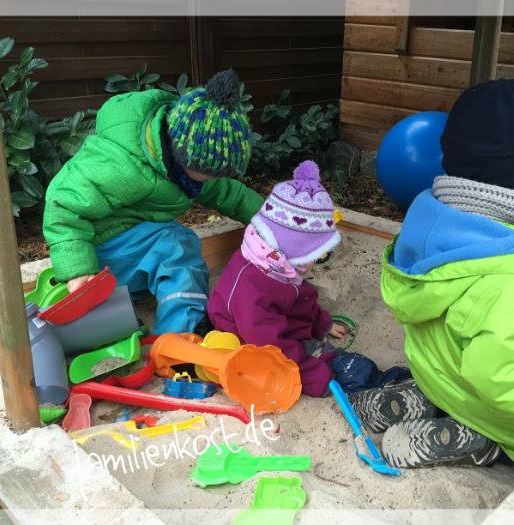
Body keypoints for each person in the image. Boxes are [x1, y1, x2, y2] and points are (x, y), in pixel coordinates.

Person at [353, 78, 514, 469]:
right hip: (492, 409)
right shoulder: (509, 285)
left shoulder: (437, 233)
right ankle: (480, 441)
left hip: (442, 372)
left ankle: (426, 396)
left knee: (463, 360)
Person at [42, 69, 263, 334]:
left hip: (129, 243)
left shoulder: (182, 160)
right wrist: (78, 270)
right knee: (175, 246)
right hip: (97, 252)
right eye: (211, 173)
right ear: (183, 155)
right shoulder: (121, 164)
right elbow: (63, 204)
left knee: (171, 244)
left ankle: (143, 296)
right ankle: (178, 335)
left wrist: (270, 220)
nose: (215, 179)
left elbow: (227, 192)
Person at [207, 160, 348, 397]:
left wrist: (323, 323)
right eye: (314, 254)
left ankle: (309, 345)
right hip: (243, 332)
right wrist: (314, 376)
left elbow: (301, 298)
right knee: (266, 359)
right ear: (292, 249)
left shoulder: (278, 264)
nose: (316, 261)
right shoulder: (252, 289)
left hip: (268, 316)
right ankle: (309, 363)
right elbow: (270, 347)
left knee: (303, 294)